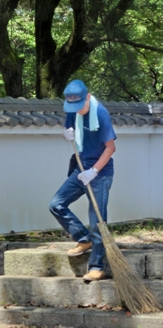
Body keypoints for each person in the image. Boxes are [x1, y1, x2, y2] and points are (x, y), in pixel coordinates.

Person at [49, 79, 116, 281]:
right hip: (80, 168)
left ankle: (97, 266)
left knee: (97, 221)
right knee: (56, 204)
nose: (76, 110)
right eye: (72, 107)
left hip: (99, 173)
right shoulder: (72, 108)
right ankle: (83, 238)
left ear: (87, 97)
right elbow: (70, 130)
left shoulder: (101, 114)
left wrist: (94, 171)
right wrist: (66, 135)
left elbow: (111, 148)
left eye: (79, 106)